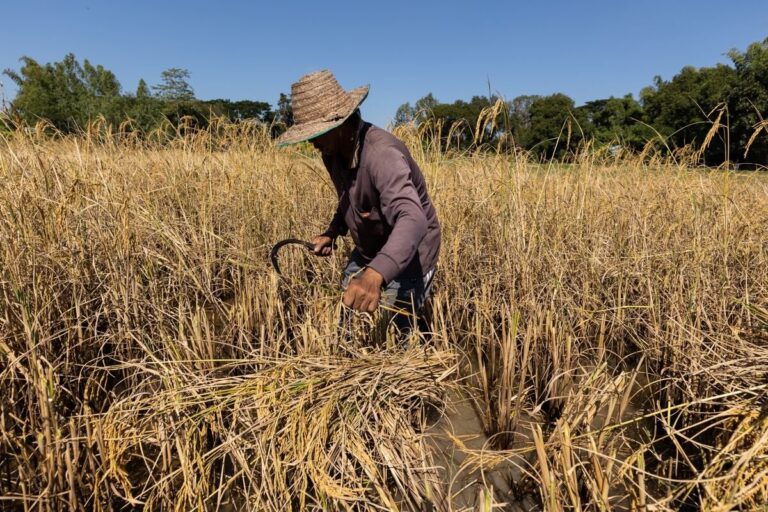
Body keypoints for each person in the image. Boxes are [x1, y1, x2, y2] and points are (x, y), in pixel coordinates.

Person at [277, 70, 441, 342]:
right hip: (370, 246)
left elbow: (413, 218)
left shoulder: (382, 155)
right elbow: (350, 198)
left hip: (411, 253)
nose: (311, 142)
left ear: (340, 125)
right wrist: (333, 231)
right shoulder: (332, 152)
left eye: (317, 133)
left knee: (398, 333)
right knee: (348, 317)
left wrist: (375, 275)